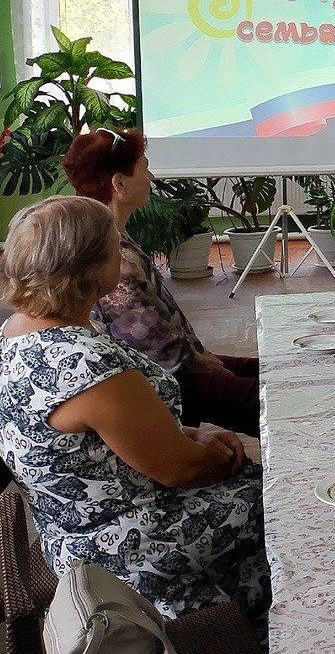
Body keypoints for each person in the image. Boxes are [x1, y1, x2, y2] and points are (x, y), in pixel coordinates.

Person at [0, 196, 270, 622]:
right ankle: (271, 622)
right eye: (114, 246)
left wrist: (190, 435)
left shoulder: (18, 330)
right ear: (92, 268)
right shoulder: (84, 365)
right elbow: (182, 471)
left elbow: (108, 442)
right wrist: (219, 455)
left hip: (78, 532)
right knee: (288, 498)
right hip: (129, 546)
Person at [63, 128, 260, 436]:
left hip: (180, 364)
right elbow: (156, 349)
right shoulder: (114, 258)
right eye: (144, 168)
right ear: (119, 184)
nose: (151, 176)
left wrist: (204, 357)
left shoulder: (111, 240)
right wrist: (207, 363)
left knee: (277, 369)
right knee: (277, 401)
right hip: (170, 381)